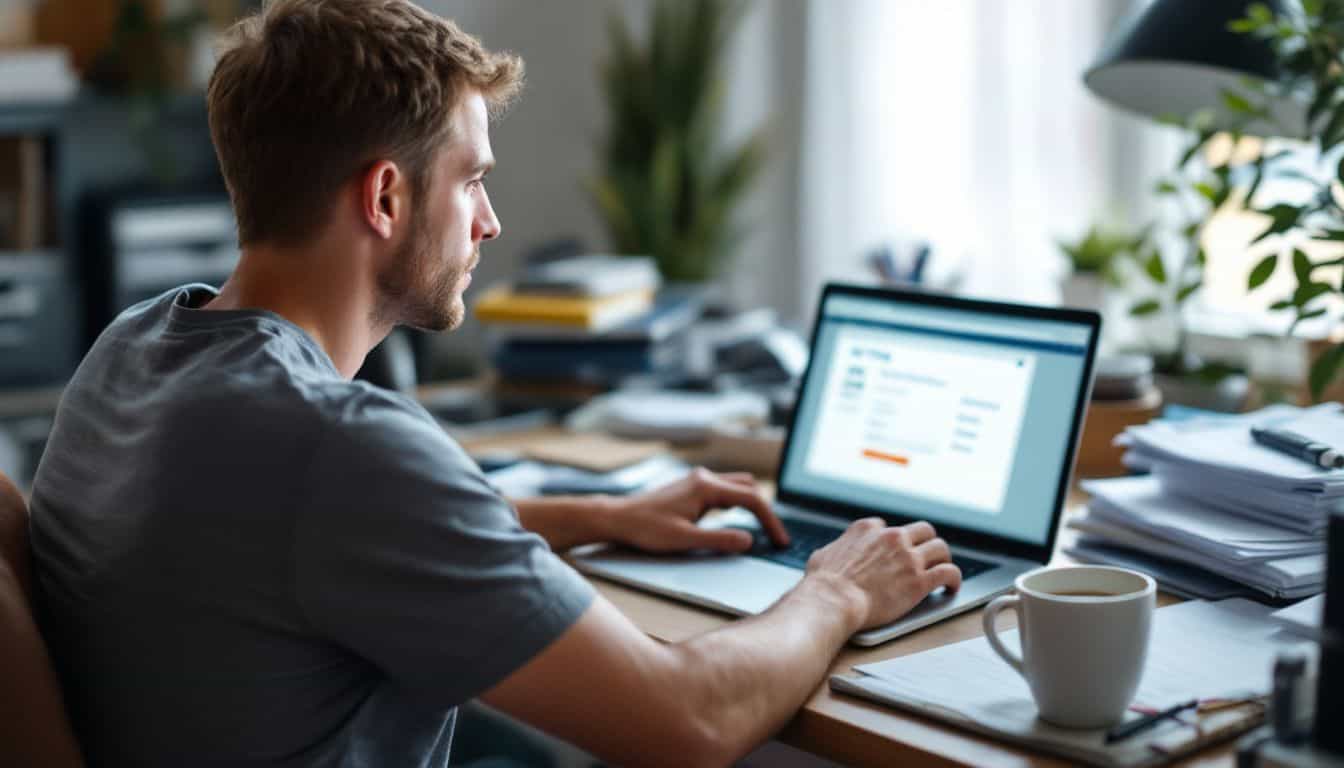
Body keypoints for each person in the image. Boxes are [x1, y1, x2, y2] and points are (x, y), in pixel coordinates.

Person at [28, 1, 962, 766]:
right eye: (470, 180)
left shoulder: (135, 348)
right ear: (386, 197)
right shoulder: (338, 446)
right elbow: (691, 723)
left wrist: (599, 516)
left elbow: (295, 537)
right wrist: (836, 589)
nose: (492, 223)